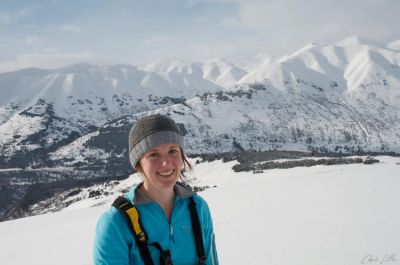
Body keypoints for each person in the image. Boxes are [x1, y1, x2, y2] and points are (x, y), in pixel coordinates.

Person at [93, 114, 219, 265]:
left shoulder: (198, 208)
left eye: (173, 151)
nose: (166, 163)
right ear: (138, 164)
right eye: (154, 154)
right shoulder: (115, 224)